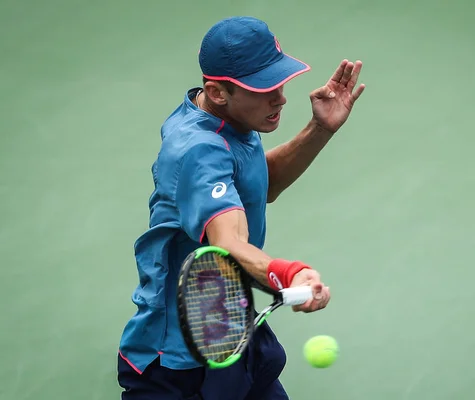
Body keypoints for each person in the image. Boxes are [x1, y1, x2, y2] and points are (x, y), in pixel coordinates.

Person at [117, 15, 365, 400]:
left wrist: (320, 129)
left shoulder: (224, 118)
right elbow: (228, 242)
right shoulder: (198, 150)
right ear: (218, 92)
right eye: (265, 89)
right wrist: (290, 273)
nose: (281, 97)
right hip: (178, 366)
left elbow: (257, 184)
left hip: (228, 329)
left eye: (280, 82)